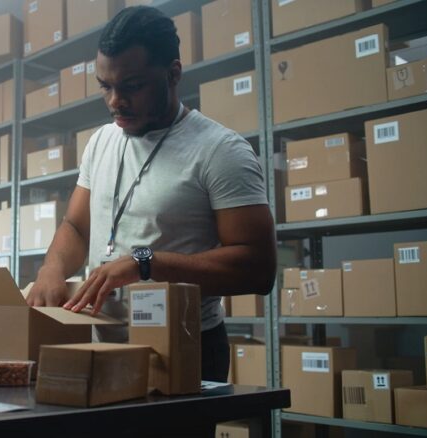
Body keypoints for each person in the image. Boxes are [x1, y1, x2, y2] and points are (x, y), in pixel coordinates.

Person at [25, 6, 277, 382]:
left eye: (132, 86)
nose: (115, 101)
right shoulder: (102, 141)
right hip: (102, 343)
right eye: (105, 86)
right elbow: (76, 227)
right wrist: (51, 268)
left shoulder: (220, 150)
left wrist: (145, 263)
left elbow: (258, 267)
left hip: (184, 345)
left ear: (173, 73)